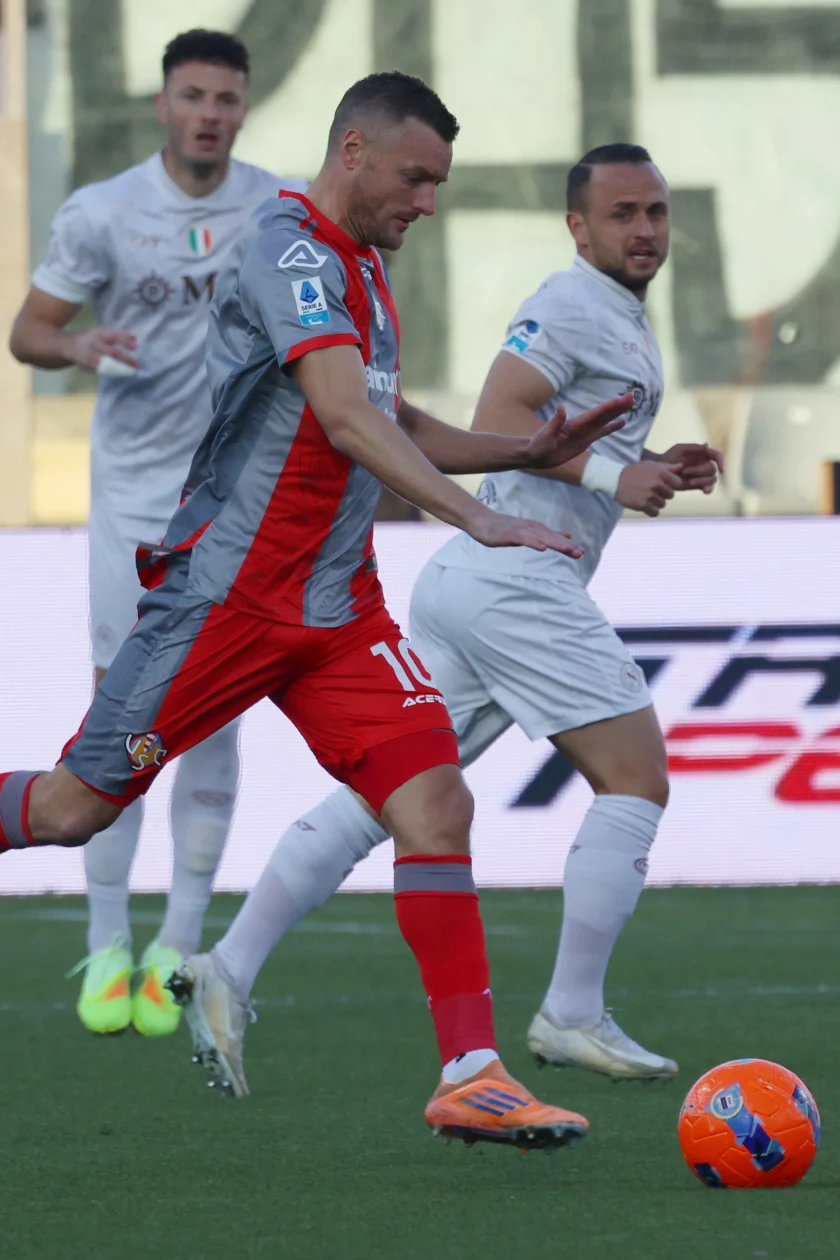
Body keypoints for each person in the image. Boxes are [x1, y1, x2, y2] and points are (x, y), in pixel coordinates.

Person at [0, 73, 631, 1151]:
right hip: (228, 601)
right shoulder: (286, 247)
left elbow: (395, 416)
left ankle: (472, 1074)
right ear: (353, 152)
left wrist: (522, 451)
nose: (427, 201)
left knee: (435, 803)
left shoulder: (365, 271)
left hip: (338, 612)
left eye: (438, 183)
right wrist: (474, 520)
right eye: (415, 177)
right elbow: (342, 417)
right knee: (71, 812)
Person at [181, 143, 724, 1092]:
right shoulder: (566, 302)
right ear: (578, 227)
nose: (644, 231)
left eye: (657, 213)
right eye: (623, 214)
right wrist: (609, 474)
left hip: (474, 582)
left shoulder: (621, 316)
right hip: (516, 581)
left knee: (386, 796)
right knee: (636, 776)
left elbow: (564, 436)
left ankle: (228, 966)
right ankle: (572, 1012)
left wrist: (651, 464)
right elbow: (503, 411)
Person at [9, 29, 305, 1039]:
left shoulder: (276, 208)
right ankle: (104, 943)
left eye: (227, 97)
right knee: (116, 711)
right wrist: (78, 342)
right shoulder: (103, 213)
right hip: (133, 501)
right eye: (193, 95)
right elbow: (28, 330)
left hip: (229, 500)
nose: (210, 113)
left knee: (211, 711)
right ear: (162, 104)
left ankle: (175, 945)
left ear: (244, 108)